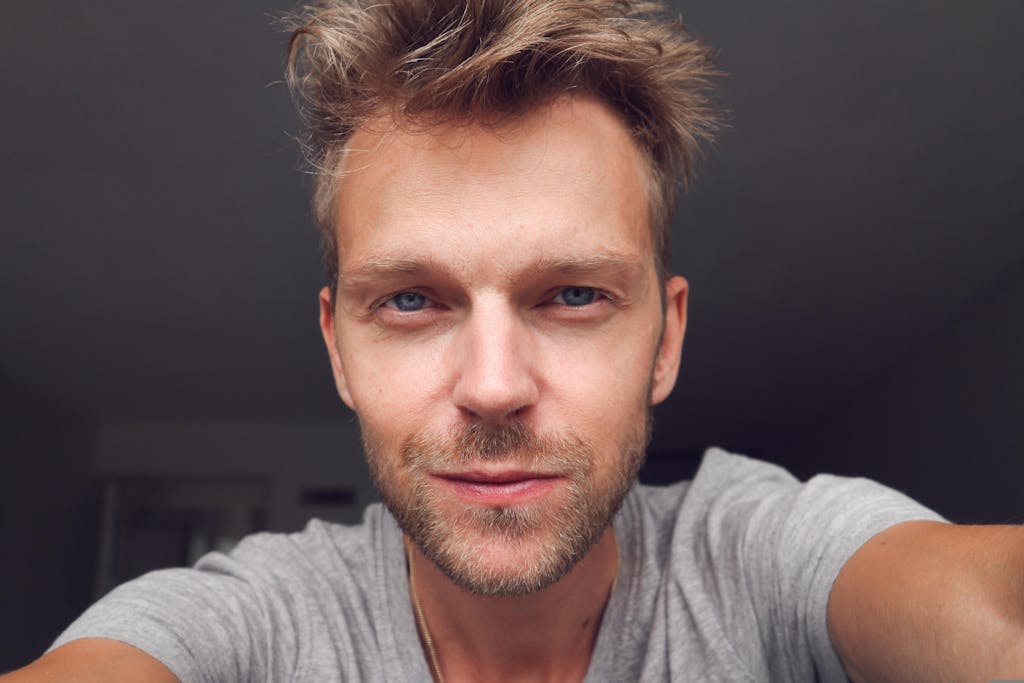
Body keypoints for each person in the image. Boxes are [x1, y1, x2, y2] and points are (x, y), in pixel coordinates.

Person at [5, 1, 1023, 681]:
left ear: (664, 337)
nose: (493, 387)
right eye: (410, 301)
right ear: (339, 348)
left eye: (572, 293)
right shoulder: (253, 619)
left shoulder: (757, 559)